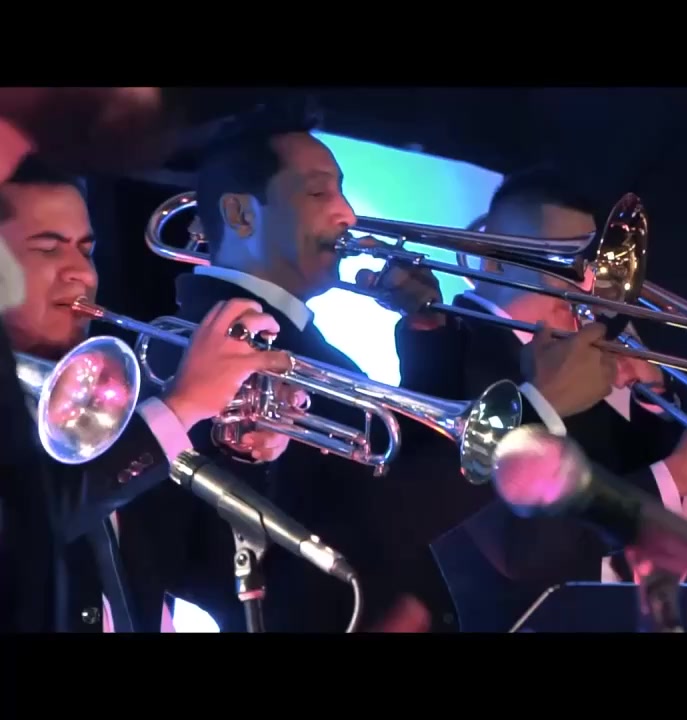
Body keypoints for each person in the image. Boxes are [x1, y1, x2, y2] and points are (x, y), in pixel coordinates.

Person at [130, 110, 614, 633]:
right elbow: (358, 522)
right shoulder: (214, 345)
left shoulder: (290, 335)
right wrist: (535, 410)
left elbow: (395, 459)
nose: (348, 214)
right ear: (242, 216)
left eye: (342, 191)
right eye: (319, 193)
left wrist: (425, 329)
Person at [389, 166, 687, 630]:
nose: (585, 283)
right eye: (563, 259)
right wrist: (672, 478)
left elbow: (633, 471)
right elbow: (522, 548)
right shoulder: (450, 355)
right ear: (493, 262)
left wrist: (655, 400)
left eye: (590, 263)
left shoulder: (570, 352)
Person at [0, 155, 296, 632]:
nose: (83, 274)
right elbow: (29, 525)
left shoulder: (108, 407)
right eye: (49, 249)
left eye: (86, 251)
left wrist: (241, 448)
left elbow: (206, 576)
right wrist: (179, 409)